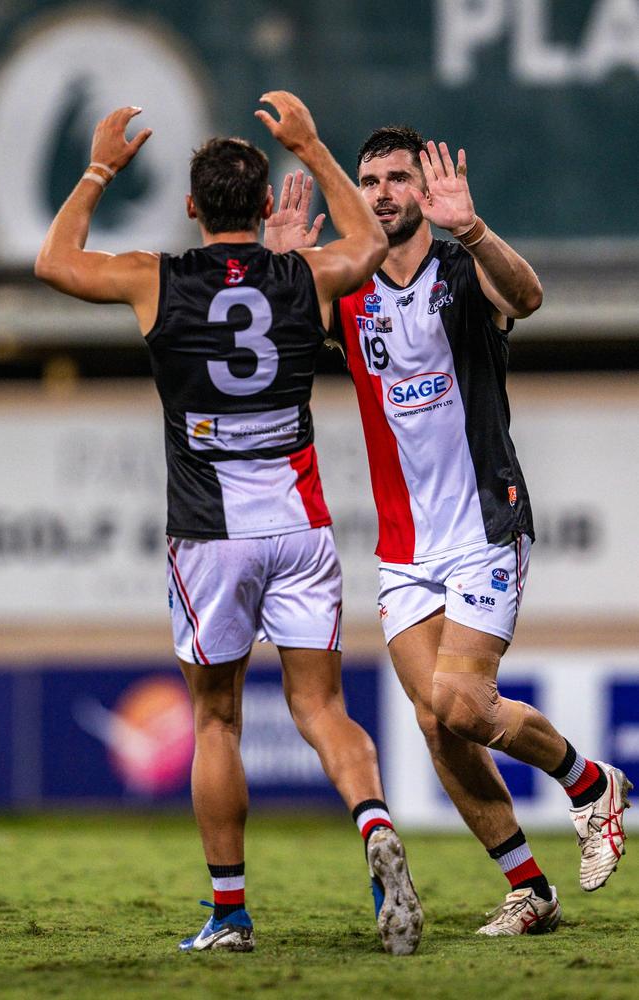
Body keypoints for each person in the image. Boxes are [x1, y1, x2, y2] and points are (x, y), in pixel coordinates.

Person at [34, 95, 423, 956]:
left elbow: (54, 261)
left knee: (216, 722)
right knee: (322, 706)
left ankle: (231, 915)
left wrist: (99, 168)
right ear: (258, 205)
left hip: (209, 536)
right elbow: (366, 246)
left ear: (191, 207)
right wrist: (316, 147)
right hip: (300, 525)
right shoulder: (308, 273)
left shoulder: (154, 277)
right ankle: (373, 827)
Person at [320, 126, 631, 935]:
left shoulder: (463, 266)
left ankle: (591, 783)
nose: (383, 191)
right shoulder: (346, 284)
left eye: (397, 178)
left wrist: (475, 228)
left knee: (461, 703)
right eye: (370, 180)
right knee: (435, 721)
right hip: (402, 549)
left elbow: (526, 298)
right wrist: (291, 264)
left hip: (485, 526)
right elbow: (283, 339)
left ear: (424, 191)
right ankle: (529, 888)